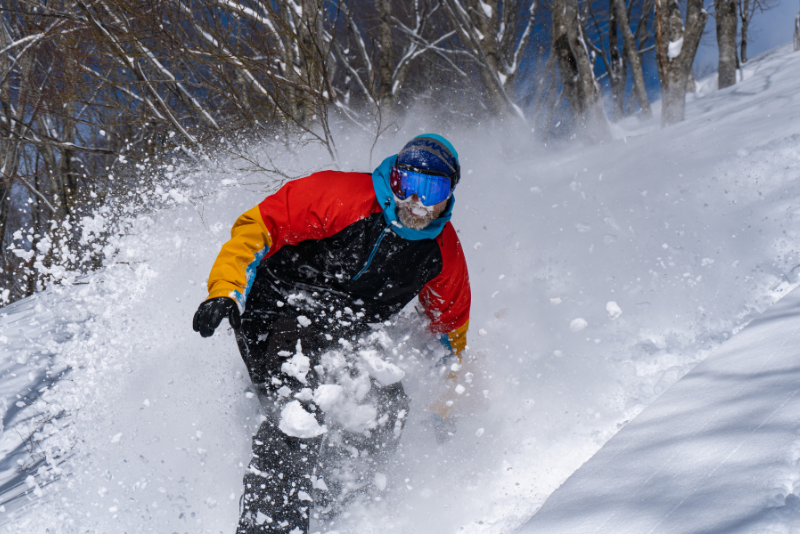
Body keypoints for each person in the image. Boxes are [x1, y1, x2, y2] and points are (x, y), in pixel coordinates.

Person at [192, 134, 471, 533]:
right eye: (409, 185)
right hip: (279, 308)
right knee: (300, 406)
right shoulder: (342, 197)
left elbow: (449, 330)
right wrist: (224, 291)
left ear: (449, 196)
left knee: (388, 403)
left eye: (433, 190)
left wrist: (444, 402)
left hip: (346, 330)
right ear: (393, 179)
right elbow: (258, 227)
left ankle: (340, 512)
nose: (417, 202)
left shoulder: (441, 253)